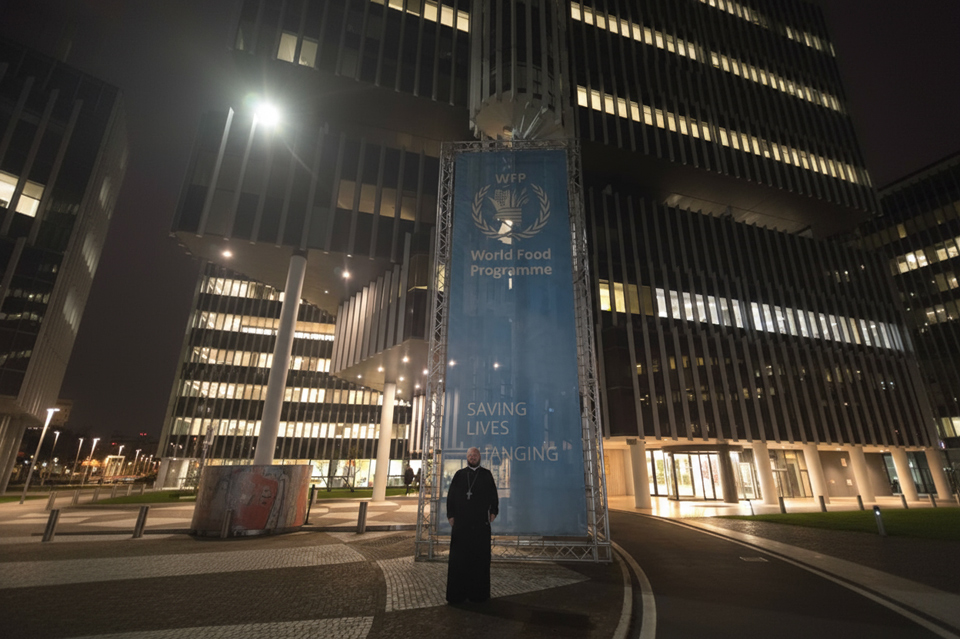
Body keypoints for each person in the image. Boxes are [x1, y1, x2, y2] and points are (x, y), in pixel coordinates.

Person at [445, 447, 499, 604]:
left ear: (479, 457)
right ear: (466, 457)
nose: (472, 457)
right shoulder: (459, 475)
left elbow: (493, 495)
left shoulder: (486, 475)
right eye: (470, 455)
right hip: (461, 524)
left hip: (480, 524)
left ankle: (478, 594)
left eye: (475, 455)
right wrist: (450, 515)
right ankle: (457, 595)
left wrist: (493, 511)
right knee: (459, 559)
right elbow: (451, 496)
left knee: (479, 559)